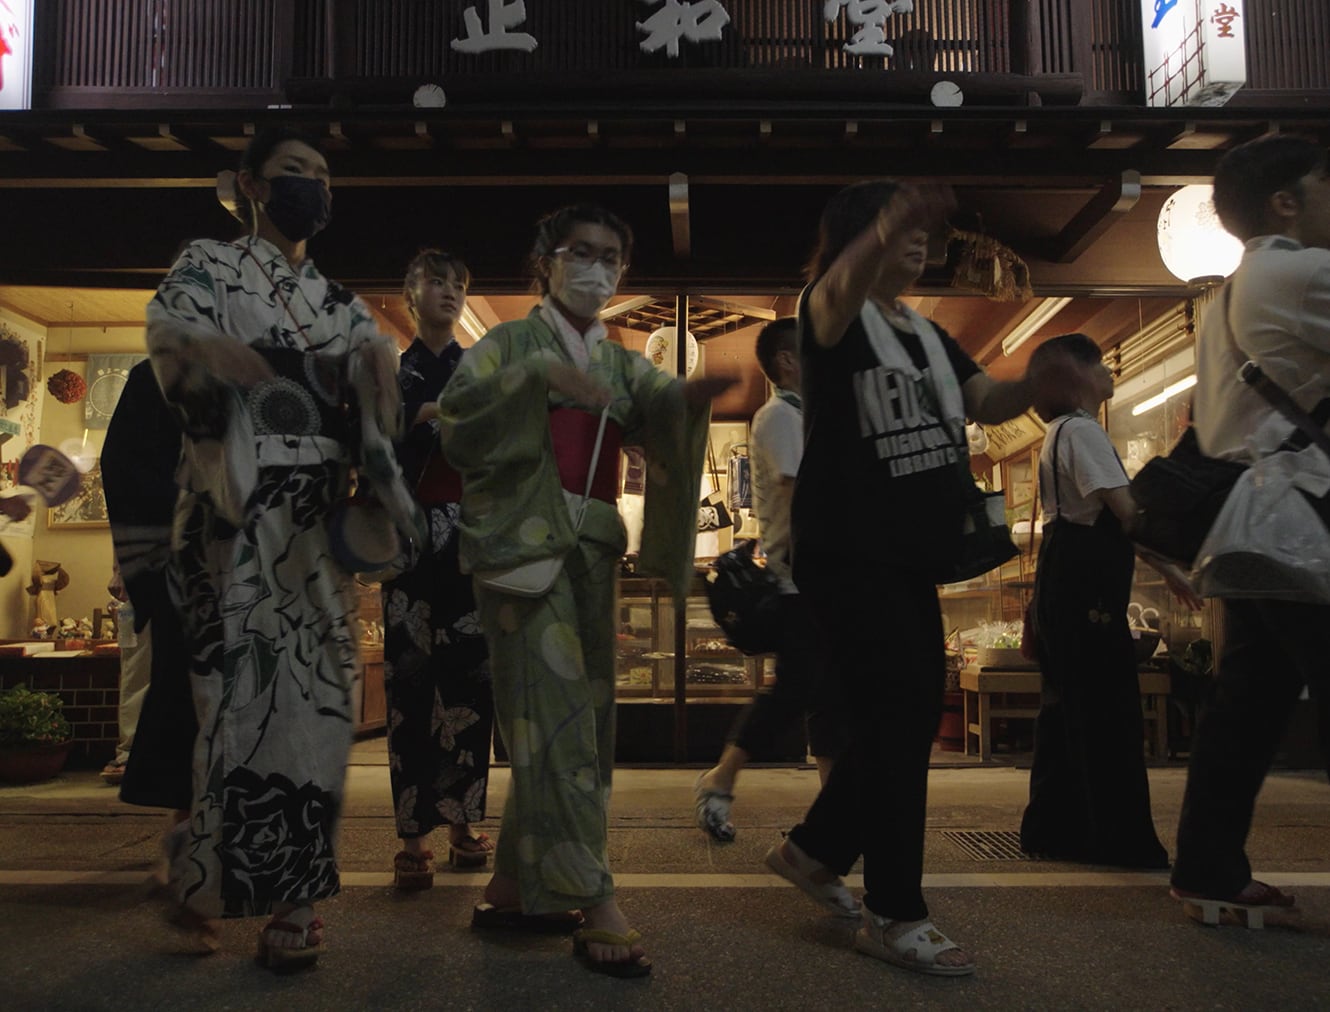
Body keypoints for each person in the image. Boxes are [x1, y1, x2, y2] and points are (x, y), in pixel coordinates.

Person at [768, 179, 1067, 977]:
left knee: (896, 719)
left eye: (917, 230)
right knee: (899, 721)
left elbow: (987, 399)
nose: (915, 240)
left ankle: (814, 850)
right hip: (847, 548)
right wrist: (889, 218)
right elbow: (839, 288)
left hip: (906, 550)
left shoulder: (927, 334)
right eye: (890, 227)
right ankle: (894, 911)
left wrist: (1037, 385)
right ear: (856, 236)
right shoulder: (827, 311)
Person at [439, 203, 735, 978]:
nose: (598, 268)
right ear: (547, 261)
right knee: (559, 718)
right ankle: (593, 896)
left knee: (580, 723)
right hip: (522, 548)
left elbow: (660, 412)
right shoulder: (507, 345)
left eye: (611, 257)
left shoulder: (621, 362)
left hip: (592, 546)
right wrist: (535, 378)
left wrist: (690, 402)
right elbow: (457, 422)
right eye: (582, 252)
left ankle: (514, 887)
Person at [143, 126, 412, 969]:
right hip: (233, 511)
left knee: (319, 708)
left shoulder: (339, 301)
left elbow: (377, 406)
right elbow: (169, 328)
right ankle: (205, 867)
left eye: (324, 175)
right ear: (251, 186)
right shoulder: (208, 264)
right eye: (295, 171)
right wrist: (206, 350)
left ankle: (286, 893)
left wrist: (379, 391)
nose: (313, 187)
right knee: (233, 707)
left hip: (311, 520)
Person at [1169, 134, 1330, 925]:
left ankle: (1208, 868)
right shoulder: (1298, 272)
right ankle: (1207, 869)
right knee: (1254, 700)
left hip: (1250, 520)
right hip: (1303, 513)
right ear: (1286, 201)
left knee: (1247, 703)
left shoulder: (1230, 293)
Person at [1018, 333, 1197, 869]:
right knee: (1108, 714)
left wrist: (1166, 570)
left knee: (1067, 712)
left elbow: (1110, 517)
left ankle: (1056, 831)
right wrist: (1178, 556)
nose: (1109, 371)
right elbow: (1127, 512)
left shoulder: (1057, 433)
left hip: (1062, 581)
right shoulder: (1084, 431)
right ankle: (1119, 841)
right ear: (1077, 378)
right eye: (1099, 363)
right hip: (1087, 591)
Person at [693, 317, 844, 841]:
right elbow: (796, 489)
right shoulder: (779, 416)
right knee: (798, 689)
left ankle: (832, 810)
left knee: (826, 694)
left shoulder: (805, 415)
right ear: (787, 361)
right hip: (798, 579)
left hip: (821, 579)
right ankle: (720, 778)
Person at [382, 249, 495, 889]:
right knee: (409, 686)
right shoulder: (391, 374)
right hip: (407, 540)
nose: (449, 292)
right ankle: (412, 835)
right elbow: (369, 445)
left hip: (469, 541)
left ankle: (461, 823)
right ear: (410, 294)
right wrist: (422, 416)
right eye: (436, 282)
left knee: (469, 683)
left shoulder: (478, 370)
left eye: (458, 284)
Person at [101, 359, 197, 890]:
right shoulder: (158, 371)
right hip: (186, 561)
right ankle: (186, 839)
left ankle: (254, 854)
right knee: (186, 701)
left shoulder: (271, 361)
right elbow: (123, 463)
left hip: (258, 562)